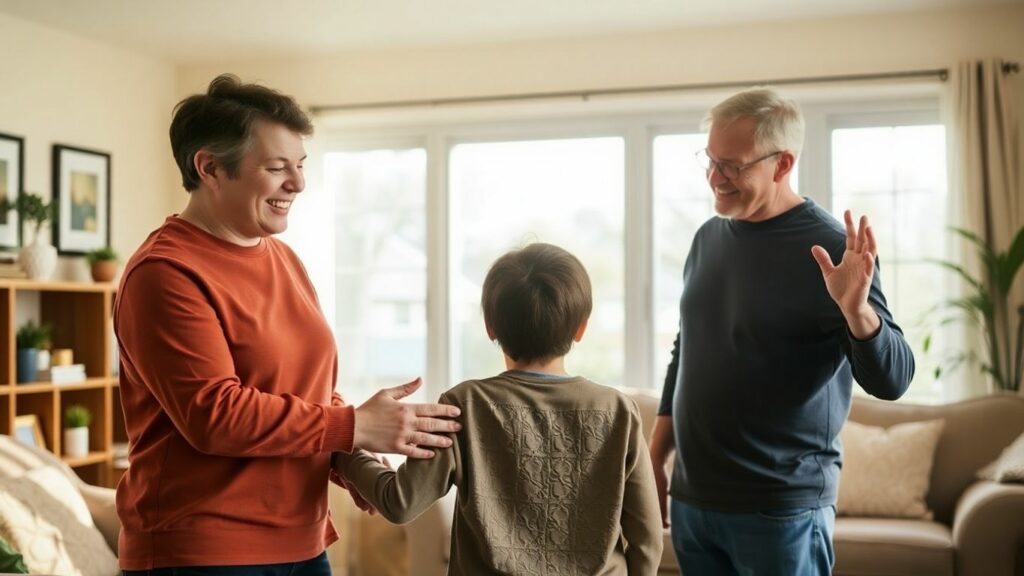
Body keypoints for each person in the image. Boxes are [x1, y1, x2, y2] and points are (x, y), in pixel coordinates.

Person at [114, 74, 461, 575]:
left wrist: (351, 457)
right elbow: (215, 415)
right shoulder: (164, 272)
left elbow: (308, 392)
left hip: (302, 542)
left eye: (300, 165)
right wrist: (354, 426)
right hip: (202, 552)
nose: (297, 183)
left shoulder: (284, 259)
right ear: (210, 167)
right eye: (277, 168)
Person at [649, 87, 916, 575]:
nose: (714, 178)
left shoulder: (832, 249)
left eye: (731, 166)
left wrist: (857, 312)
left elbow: (894, 379)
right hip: (695, 503)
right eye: (710, 160)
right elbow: (686, 351)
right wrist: (656, 456)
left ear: (782, 163)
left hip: (780, 511)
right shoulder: (707, 238)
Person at [336, 243, 664, 575]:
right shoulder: (619, 411)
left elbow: (400, 502)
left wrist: (344, 453)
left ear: (490, 326)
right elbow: (647, 540)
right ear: (581, 328)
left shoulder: (465, 405)